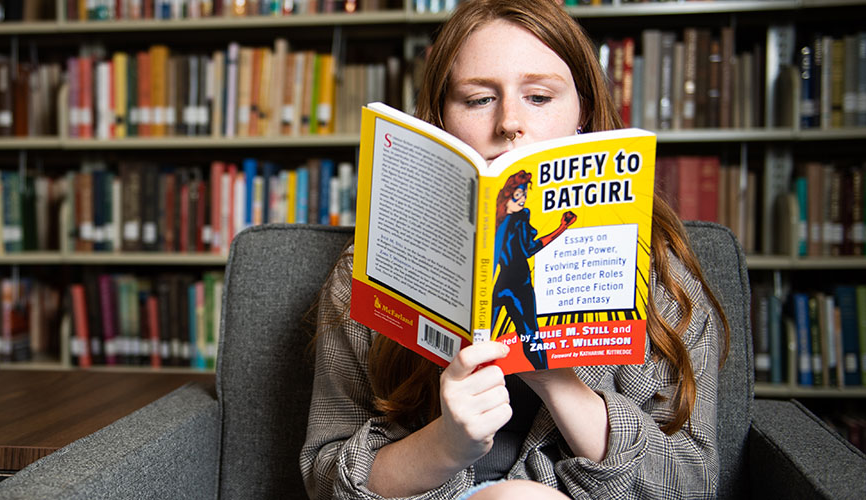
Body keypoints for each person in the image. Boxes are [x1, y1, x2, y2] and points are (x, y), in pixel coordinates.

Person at [299, 0, 731, 499]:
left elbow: (693, 485)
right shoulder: (367, 270)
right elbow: (324, 477)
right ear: (440, 117)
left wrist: (559, 382)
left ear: (583, 111)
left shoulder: (662, 281)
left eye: (540, 97)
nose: (509, 123)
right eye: (479, 99)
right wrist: (447, 444)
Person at [491, 170, 576, 371]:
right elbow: (526, 249)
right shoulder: (501, 219)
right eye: (517, 195)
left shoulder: (514, 219)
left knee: (530, 338)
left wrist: (562, 228)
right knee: (480, 340)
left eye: (524, 195)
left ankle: (542, 371)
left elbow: (530, 248)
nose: (521, 200)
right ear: (506, 196)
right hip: (507, 285)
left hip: (514, 285)